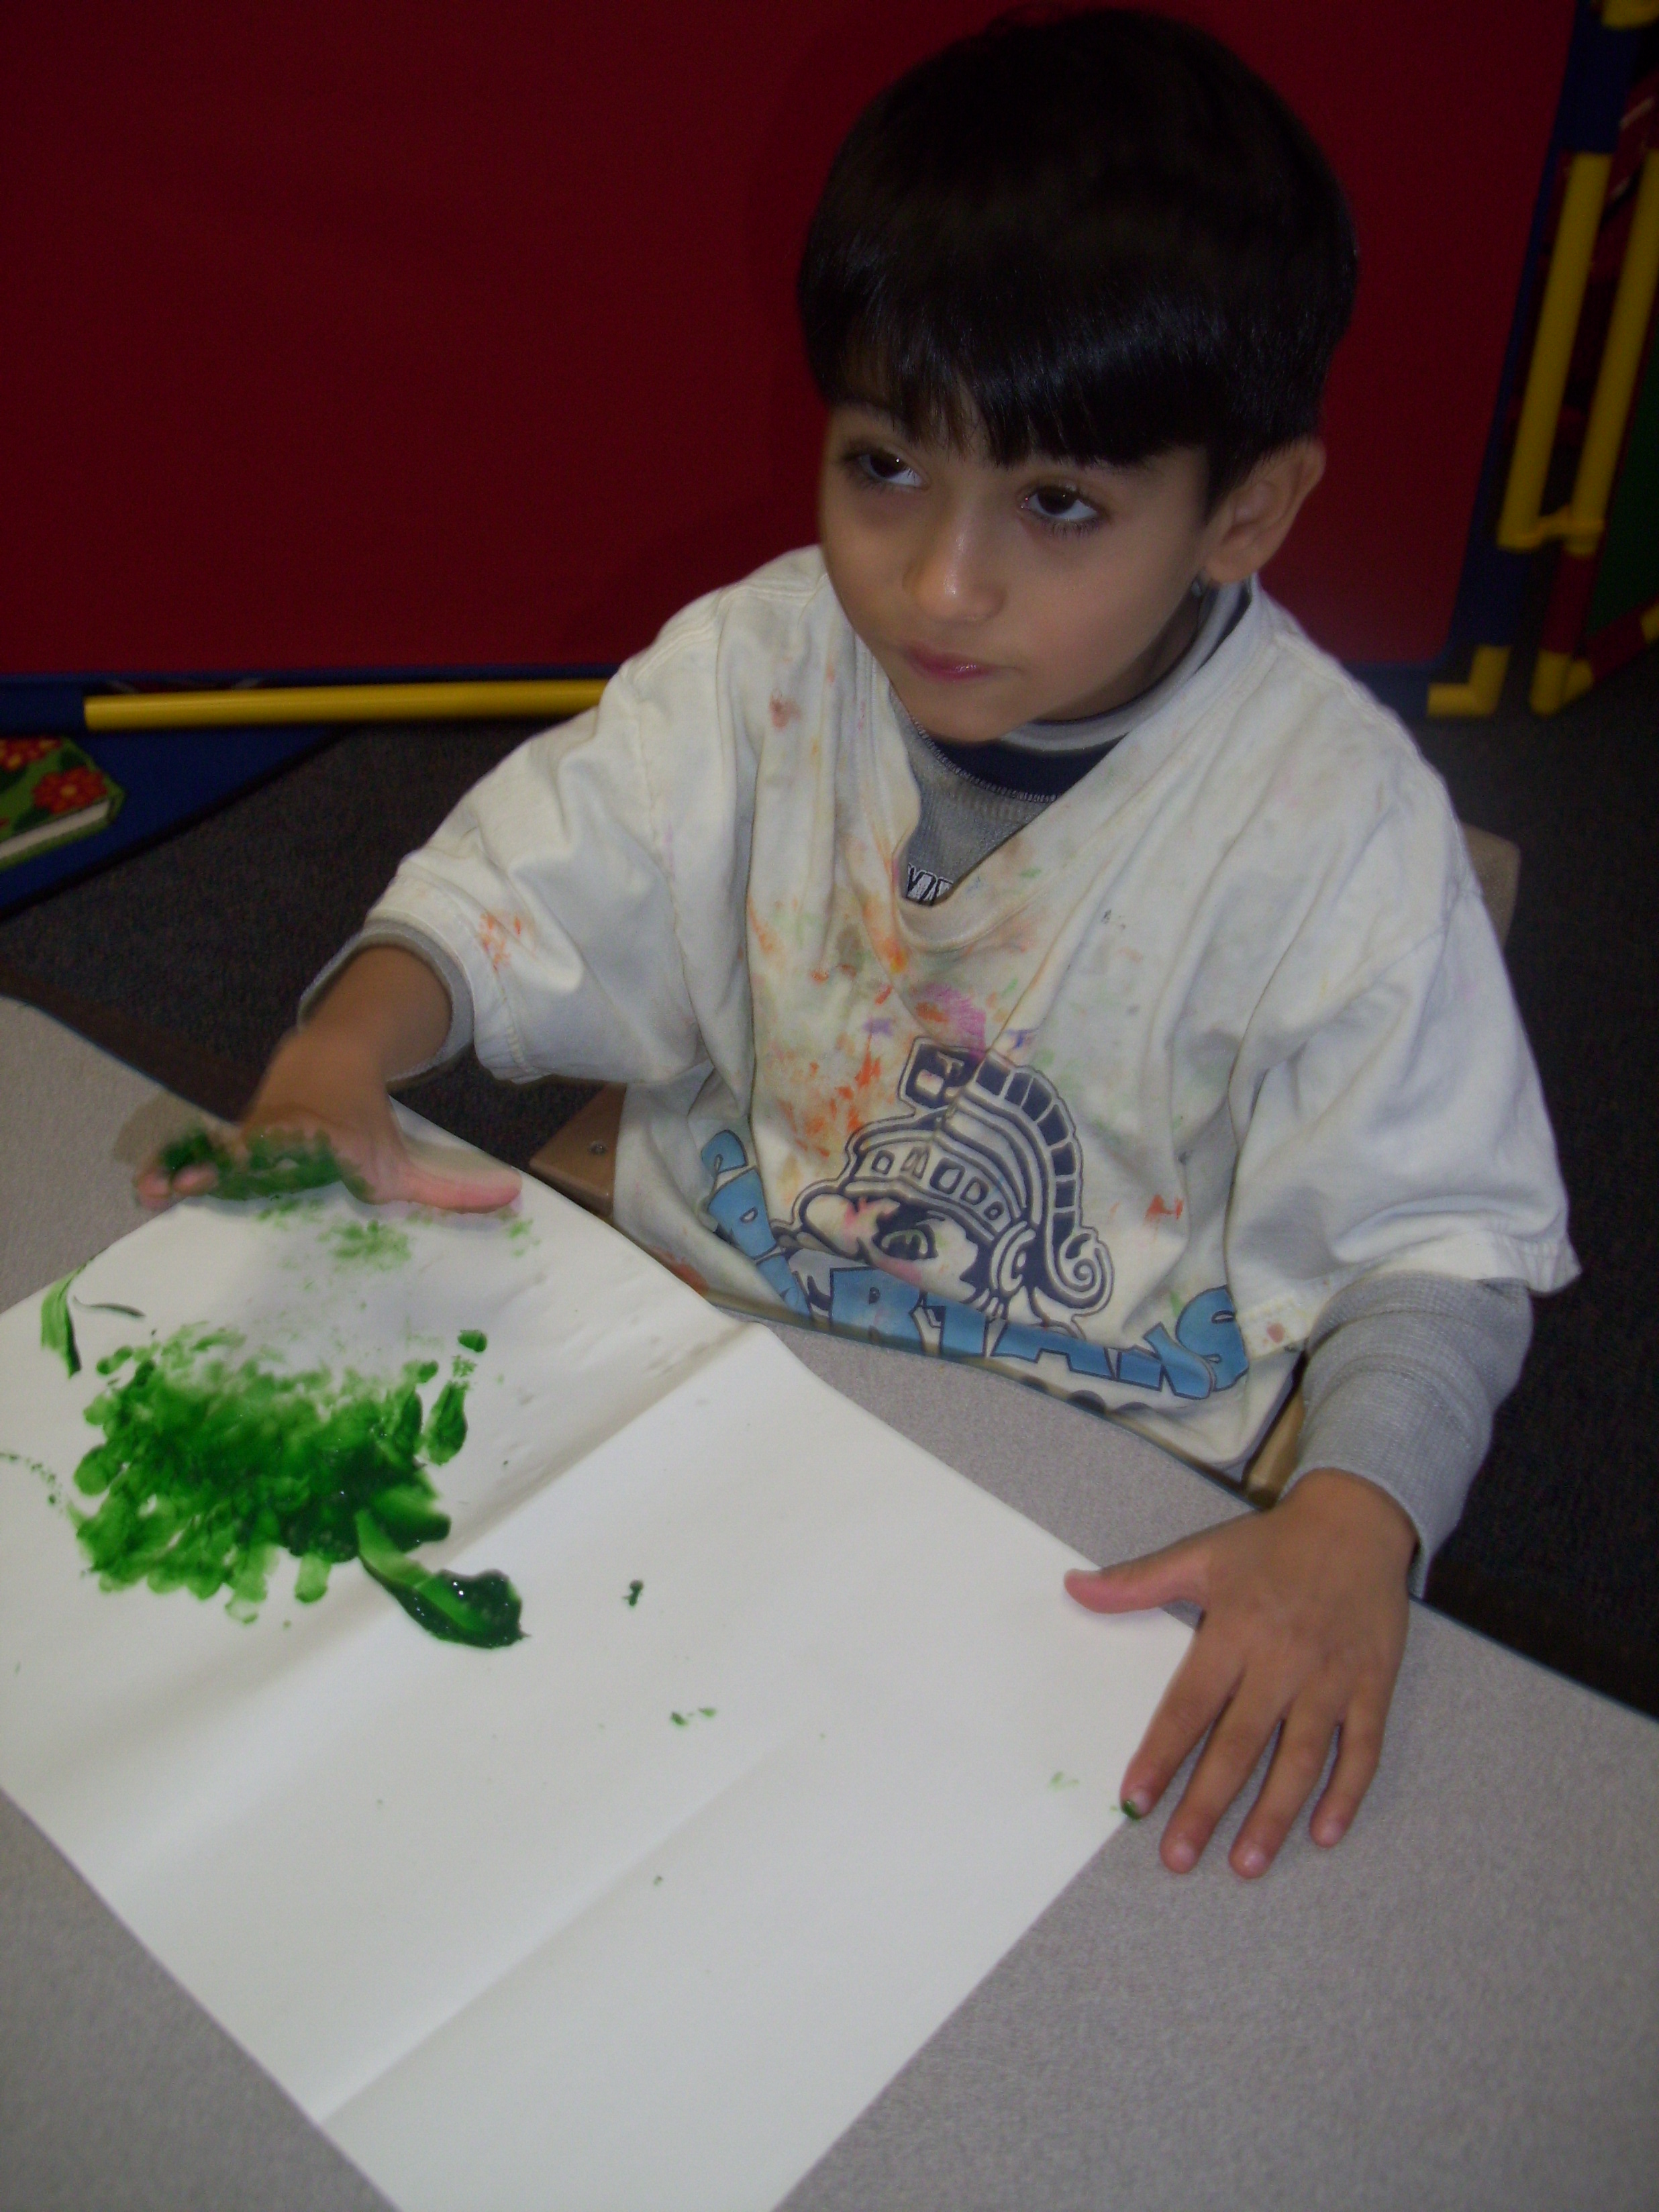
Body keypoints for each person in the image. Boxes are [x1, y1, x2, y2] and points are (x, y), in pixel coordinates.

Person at [142, 9, 1575, 1878]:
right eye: (887, 463)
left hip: (1092, 1470)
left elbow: (1441, 1246)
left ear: (1248, 509)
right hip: (700, 1350)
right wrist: (344, 1054)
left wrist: (1358, 1520)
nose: (939, 580)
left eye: (1058, 505)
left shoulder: (1333, 833)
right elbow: (514, 891)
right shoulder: (761, 673)